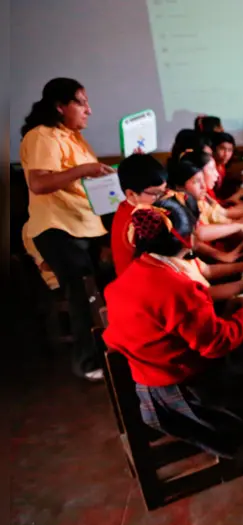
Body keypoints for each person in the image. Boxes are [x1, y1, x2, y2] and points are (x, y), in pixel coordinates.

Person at [102, 197, 243, 459]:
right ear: (188, 240)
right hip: (187, 395)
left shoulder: (137, 271)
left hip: (151, 385)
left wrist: (238, 306)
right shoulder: (176, 287)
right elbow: (216, 345)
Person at [20, 77, 115, 381]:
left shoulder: (74, 138)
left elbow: (82, 184)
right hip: (57, 227)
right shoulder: (42, 136)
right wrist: (86, 170)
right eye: (81, 102)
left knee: (106, 287)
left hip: (85, 224)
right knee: (81, 292)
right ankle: (88, 362)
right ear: (60, 107)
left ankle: (114, 349)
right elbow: (39, 182)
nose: (89, 109)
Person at [112, 155, 243, 297]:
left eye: (164, 190)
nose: (164, 197)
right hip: (147, 294)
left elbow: (201, 268)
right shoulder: (140, 224)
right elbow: (192, 293)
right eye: (156, 194)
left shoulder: (148, 210)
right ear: (131, 194)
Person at [167, 151, 243, 263]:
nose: (203, 187)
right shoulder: (177, 210)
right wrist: (238, 226)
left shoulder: (197, 199)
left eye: (202, 181)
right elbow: (199, 234)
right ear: (179, 187)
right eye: (196, 182)